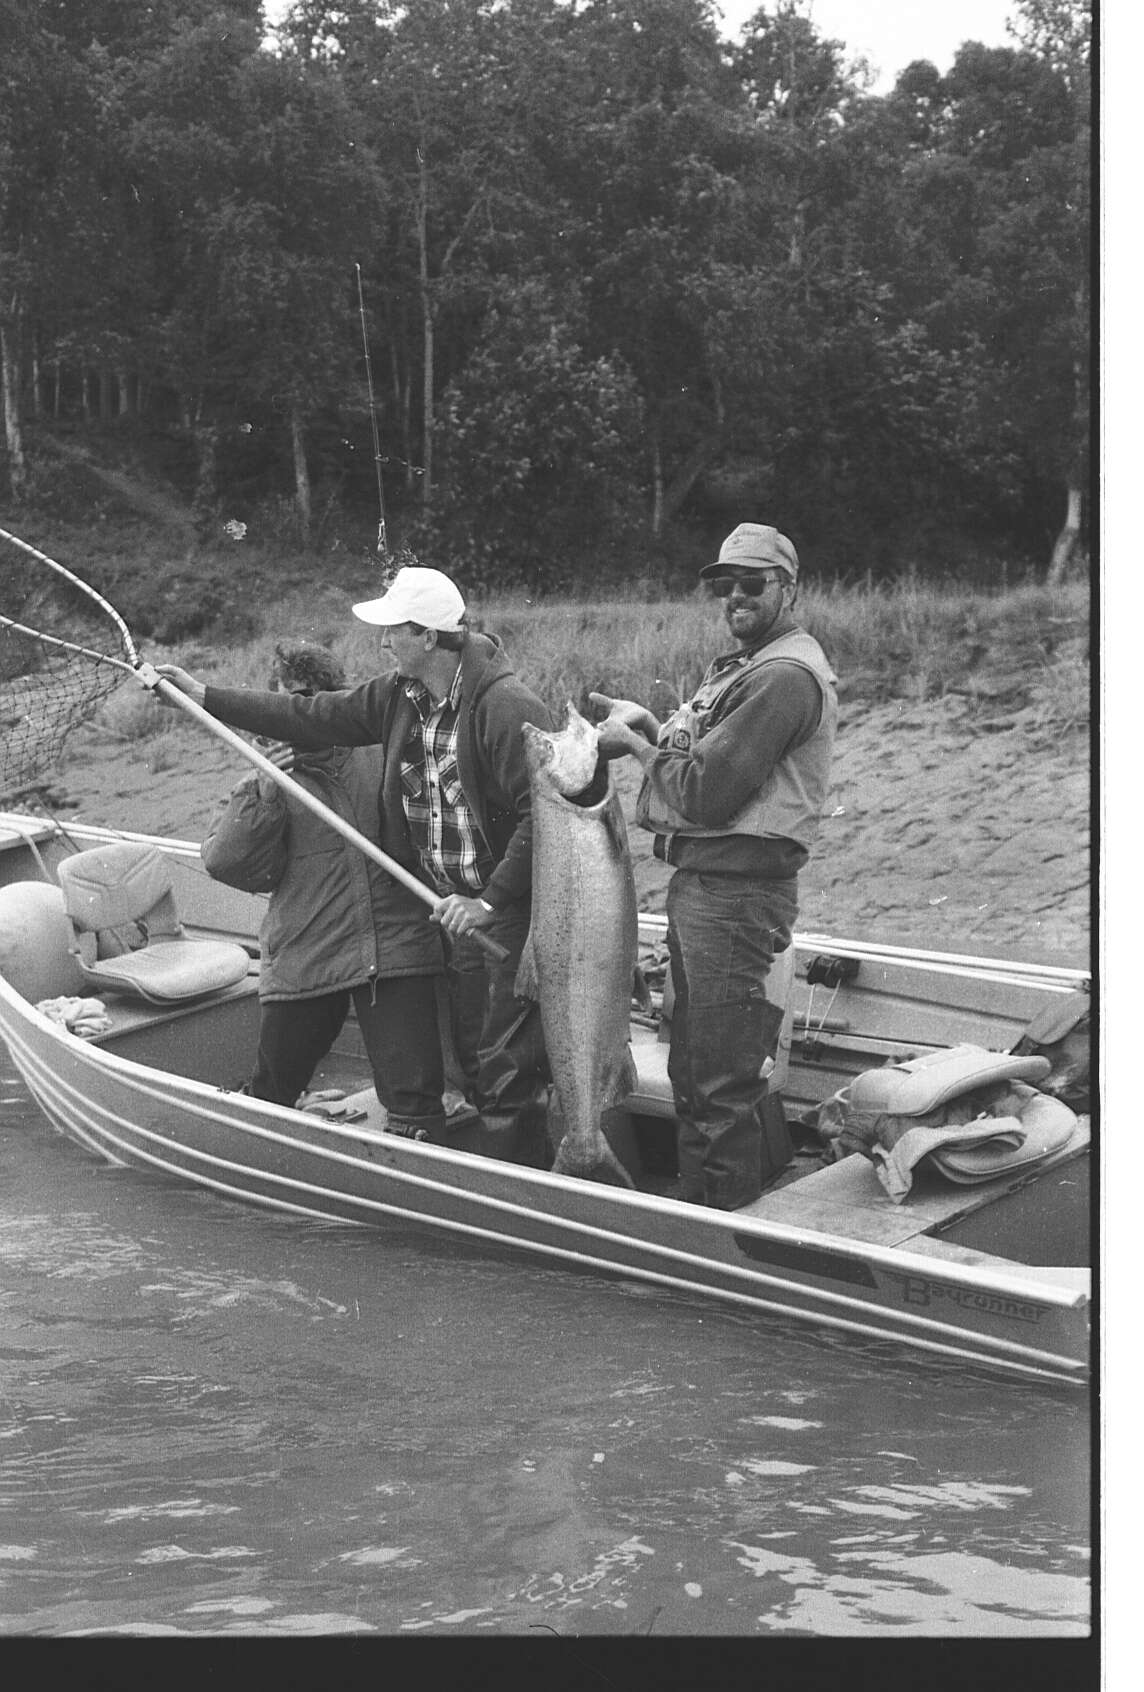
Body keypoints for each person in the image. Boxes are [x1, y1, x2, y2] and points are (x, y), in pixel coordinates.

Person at [157, 567, 555, 1165]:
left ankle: (530, 1199)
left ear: (427, 636)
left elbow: (545, 816)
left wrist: (489, 901)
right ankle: (492, 1185)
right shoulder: (400, 695)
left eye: (393, 630)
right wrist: (204, 696)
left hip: (497, 913)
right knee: (483, 1060)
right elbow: (309, 715)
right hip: (454, 919)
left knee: (501, 1067)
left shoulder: (504, 705)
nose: (383, 642)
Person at [592, 523, 838, 1211]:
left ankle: (725, 1234)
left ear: (789, 589)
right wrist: (647, 730)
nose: (735, 595)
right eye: (724, 583)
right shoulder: (746, 666)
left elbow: (704, 791)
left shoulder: (784, 677)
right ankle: (703, 1213)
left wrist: (634, 751)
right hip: (706, 892)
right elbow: (704, 763)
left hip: (735, 898)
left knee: (718, 1084)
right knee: (696, 1073)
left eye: (753, 582)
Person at [199, 640, 449, 1138]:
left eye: (313, 698)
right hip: (309, 955)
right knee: (272, 1091)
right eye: (289, 701)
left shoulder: (389, 753)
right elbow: (228, 864)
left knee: (415, 1103)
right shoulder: (264, 778)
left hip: (397, 950)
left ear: (336, 700)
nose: (300, 712)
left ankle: (417, 1190)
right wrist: (265, 789)